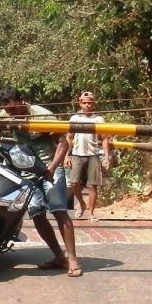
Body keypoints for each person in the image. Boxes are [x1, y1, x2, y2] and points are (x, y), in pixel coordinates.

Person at [0, 87, 82, 277]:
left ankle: (73, 259)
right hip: (26, 170)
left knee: (58, 210)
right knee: (37, 213)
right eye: (8, 111)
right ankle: (59, 257)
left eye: (14, 110)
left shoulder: (43, 117)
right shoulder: (5, 115)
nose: (11, 114)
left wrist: (51, 168)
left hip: (49, 167)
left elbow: (63, 143)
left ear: (22, 101)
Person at [65, 91, 111, 222]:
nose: (86, 105)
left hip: (93, 154)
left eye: (89, 103)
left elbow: (105, 139)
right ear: (80, 103)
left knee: (93, 185)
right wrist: (66, 156)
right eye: (84, 103)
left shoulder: (98, 119)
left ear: (93, 104)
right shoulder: (74, 119)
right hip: (77, 154)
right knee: (74, 182)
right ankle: (81, 202)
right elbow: (69, 137)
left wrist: (106, 157)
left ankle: (91, 213)